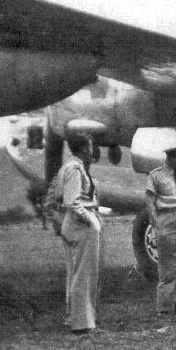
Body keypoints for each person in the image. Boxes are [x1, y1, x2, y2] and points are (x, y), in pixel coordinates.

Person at [146, 144, 176, 315]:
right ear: (171, 157)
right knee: (168, 264)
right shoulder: (155, 176)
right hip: (166, 220)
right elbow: (150, 204)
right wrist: (155, 226)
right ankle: (165, 307)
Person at [59, 133, 102, 334]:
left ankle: (74, 318)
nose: (92, 150)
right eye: (90, 146)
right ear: (84, 148)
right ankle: (82, 323)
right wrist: (91, 219)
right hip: (80, 226)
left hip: (73, 224)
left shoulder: (68, 167)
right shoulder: (75, 169)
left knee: (75, 273)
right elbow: (73, 202)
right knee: (83, 275)